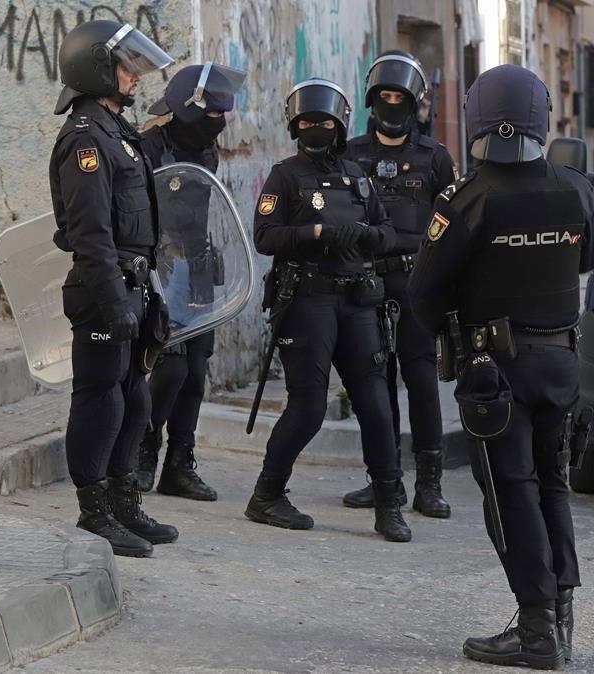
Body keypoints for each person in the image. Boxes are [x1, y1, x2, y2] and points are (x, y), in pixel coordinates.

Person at [409, 64, 594, 670]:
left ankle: (537, 630)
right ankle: (558, 620)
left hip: (497, 369)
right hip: (562, 363)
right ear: (543, 118)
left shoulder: (468, 199)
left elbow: (423, 293)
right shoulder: (574, 188)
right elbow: (588, 257)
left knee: (510, 493)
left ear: (476, 120)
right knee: (554, 487)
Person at [245, 77, 410, 542]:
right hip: (308, 299)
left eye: (324, 122)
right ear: (297, 128)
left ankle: (388, 504)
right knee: (309, 406)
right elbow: (265, 236)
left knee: (376, 405)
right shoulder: (285, 176)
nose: (316, 129)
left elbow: (387, 232)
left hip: (358, 298)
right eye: (308, 123)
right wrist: (313, 234)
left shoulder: (357, 176)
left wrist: (363, 235)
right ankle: (267, 494)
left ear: (339, 127)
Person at [49, 20, 178, 558]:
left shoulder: (117, 132)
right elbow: (89, 233)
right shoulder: (84, 139)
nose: (134, 77)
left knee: (134, 399)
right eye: (126, 67)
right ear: (97, 67)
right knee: (100, 400)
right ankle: (93, 510)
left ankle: (125, 500)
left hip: (136, 287)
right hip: (104, 291)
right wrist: (112, 298)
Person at [344, 51, 457, 519]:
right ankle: (382, 476)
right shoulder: (351, 154)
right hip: (365, 281)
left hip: (416, 282)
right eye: (384, 97)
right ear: (373, 101)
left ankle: (429, 483)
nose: (392, 104)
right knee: (374, 381)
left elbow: (454, 224)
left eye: (400, 97)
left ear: (413, 103)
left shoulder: (435, 159)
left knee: (420, 379)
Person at [135, 62, 247, 501]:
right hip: (163, 272)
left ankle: (180, 465)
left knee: (196, 373)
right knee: (170, 368)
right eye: (213, 115)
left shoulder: (206, 151)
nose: (219, 124)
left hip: (198, 269)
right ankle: (145, 449)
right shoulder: (147, 148)